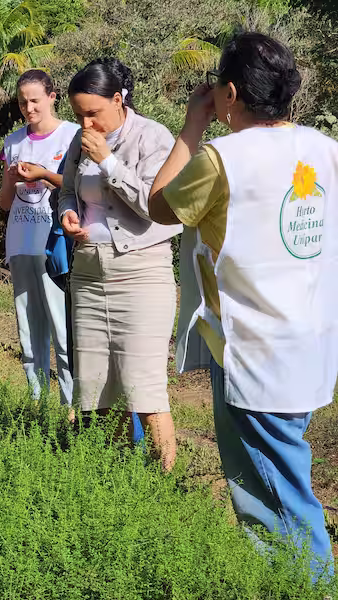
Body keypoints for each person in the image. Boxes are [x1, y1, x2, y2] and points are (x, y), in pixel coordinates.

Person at [148, 32, 335, 580]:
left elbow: (159, 206)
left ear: (229, 93)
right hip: (312, 342)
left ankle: (309, 588)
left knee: (274, 499)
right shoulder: (325, 148)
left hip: (253, 350)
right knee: (287, 473)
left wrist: (193, 125)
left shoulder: (221, 158)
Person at [59, 58, 181, 471]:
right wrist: (68, 214)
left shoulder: (154, 138)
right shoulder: (79, 142)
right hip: (89, 275)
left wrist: (110, 161)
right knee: (97, 391)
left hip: (141, 275)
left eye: (93, 113)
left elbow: (155, 207)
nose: (86, 123)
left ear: (118, 99)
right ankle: (115, 476)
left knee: (143, 389)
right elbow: (67, 189)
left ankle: (164, 486)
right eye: (78, 115)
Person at [0, 69, 78, 408]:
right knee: (28, 330)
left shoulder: (71, 136)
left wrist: (46, 176)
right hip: (20, 244)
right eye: (22, 102)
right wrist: (10, 178)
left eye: (34, 101)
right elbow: (4, 202)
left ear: (52, 97)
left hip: (56, 247)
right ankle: (36, 402)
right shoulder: (14, 142)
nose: (28, 108)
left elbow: (82, 190)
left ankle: (71, 406)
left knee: (62, 328)